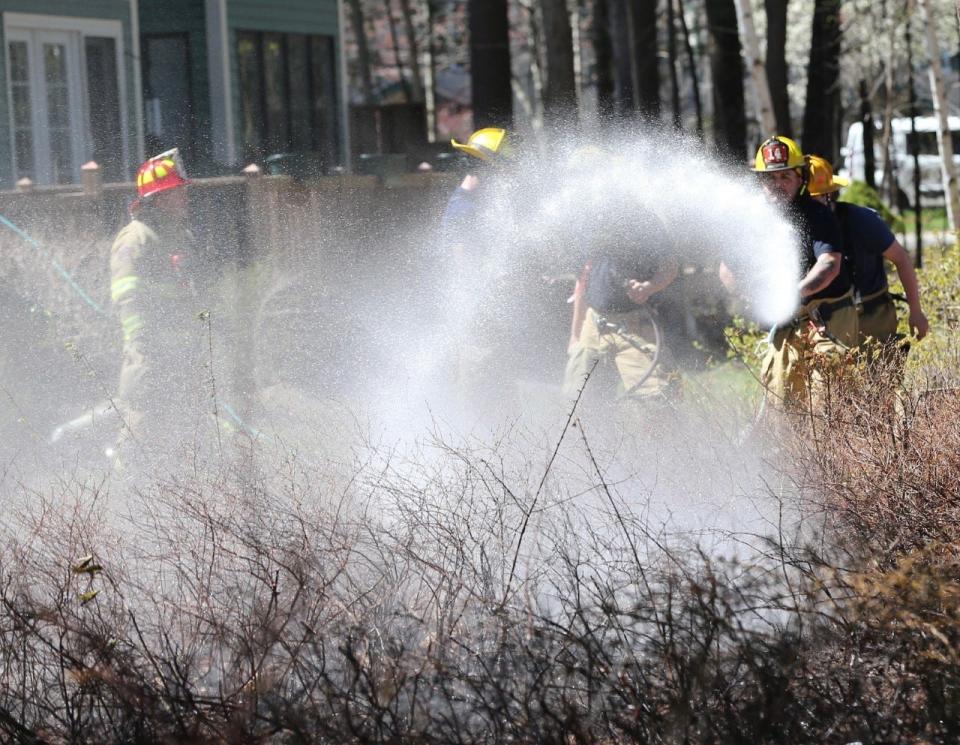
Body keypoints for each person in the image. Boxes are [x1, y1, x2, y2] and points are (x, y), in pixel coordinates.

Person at [721, 136, 858, 409]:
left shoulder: (818, 216)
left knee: (827, 401)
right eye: (771, 178)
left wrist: (796, 292)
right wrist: (745, 293)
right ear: (761, 181)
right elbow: (727, 267)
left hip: (828, 318)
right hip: (786, 323)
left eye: (786, 177)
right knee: (780, 402)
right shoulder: (751, 218)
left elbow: (829, 264)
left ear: (800, 179)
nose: (778, 185)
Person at [110, 148, 202, 465]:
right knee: (143, 428)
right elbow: (127, 294)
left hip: (182, 356)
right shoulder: (136, 238)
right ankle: (127, 495)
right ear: (160, 199)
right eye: (178, 193)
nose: (185, 198)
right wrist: (144, 343)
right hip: (151, 356)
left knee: (185, 432)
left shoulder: (179, 236)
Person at [806, 154, 929, 353]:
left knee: (878, 379)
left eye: (811, 201)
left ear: (827, 195)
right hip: (824, 322)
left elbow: (901, 259)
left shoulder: (861, 220)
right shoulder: (797, 228)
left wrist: (916, 311)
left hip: (873, 316)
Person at [563, 208, 679, 407]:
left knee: (658, 400)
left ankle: (663, 438)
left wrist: (649, 287)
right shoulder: (588, 219)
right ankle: (592, 439)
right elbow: (583, 279)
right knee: (576, 403)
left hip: (636, 326)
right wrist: (575, 336)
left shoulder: (645, 220)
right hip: (593, 325)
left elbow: (670, 265)